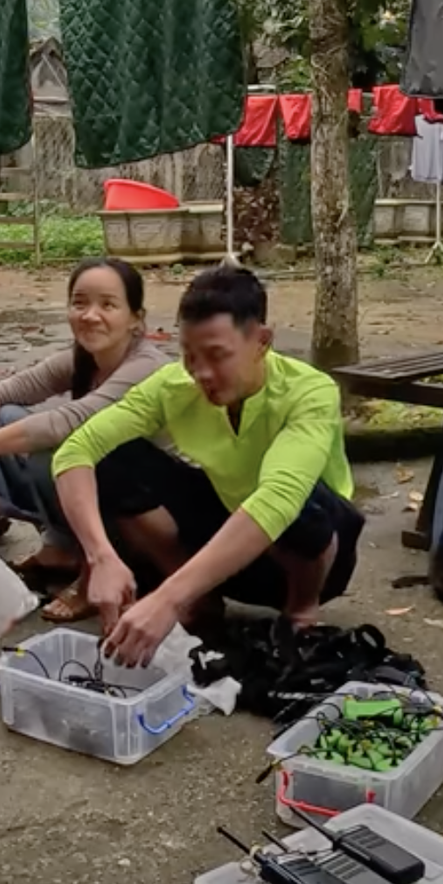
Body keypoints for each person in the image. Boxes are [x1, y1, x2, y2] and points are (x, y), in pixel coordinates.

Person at [52, 265, 361, 668]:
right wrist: (100, 557)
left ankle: (301, 610)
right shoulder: (172, 385)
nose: (201, 373)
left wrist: (165, 599)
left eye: (217, 355)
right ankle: (199, 597)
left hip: (311, 559)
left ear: (261, 341)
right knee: (115, 458)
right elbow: (74, 451)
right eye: (190, 356)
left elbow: (278, 499)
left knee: (299, 498)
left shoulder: (310, 392)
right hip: (226, 539)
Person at [0, 257, 168, 621]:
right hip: (109, 491)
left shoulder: (147, 366)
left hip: (157, 514)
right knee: (6, 419)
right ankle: (63, 546)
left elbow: (63, 424)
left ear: (136, 318)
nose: (90, 315)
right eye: (80, 303)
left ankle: (97, 567)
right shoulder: (82, 359)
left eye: (108, 305)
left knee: (60, 448)